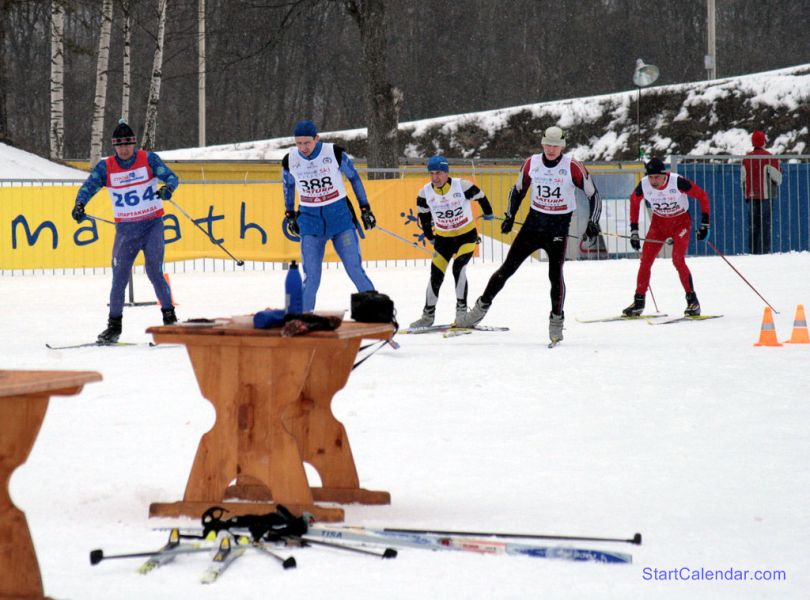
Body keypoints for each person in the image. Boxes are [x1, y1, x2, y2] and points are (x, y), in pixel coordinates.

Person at [456, 126, 602, 344]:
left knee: (555, 275)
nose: (551, 150)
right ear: (542, 144)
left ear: (562, 147)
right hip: (533, 226)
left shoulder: (572, 166)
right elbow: (517, 190)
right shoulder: (532, 163)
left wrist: (593, 222)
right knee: (507, 269)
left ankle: (556, 322)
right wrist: (509, 215)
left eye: (556, 146)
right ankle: (478, 310)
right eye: (548, 145)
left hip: (558, 228)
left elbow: (593, 195)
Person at [71, 120, 179, 343]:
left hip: (152, 226)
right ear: (114, 147)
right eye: (120, 146)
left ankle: (170, 321)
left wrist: (168, 188)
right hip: (126, 231)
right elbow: (89, 186)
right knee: (119, 279)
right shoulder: (106, 166)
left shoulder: (148, 159)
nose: (124, 149)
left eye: (128, 144)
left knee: (154, 272)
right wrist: (80, 204)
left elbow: (171, 177)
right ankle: (113, 327)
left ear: (134, 144)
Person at [282, 120, 377, 312]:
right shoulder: (290, 160)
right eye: (298, 143)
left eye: (307, 143)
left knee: (355, 270)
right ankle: (302, 320)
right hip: (310, 223)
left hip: (340, 220)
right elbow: (288, 186)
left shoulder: (333, 153)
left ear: (317, 139)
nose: (303, 148)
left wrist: (365, 208)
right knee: (312, 277)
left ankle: (377, 314)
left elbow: (354, 178)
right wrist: (290, 213)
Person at [409, 155, 494, 328]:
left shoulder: (461, 185)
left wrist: (488, 213)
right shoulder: (424, 192)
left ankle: (461, 314)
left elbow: (481, 196)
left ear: (446, 172)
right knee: (436, 275)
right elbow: (424, 217)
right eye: (431, 173)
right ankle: (427, 316)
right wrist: (430, 236)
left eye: (439, 173)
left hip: (466, 237)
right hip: (443, 239)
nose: (435, 177)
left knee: (458, 268)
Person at [621, 157, 711, 317]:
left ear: (664, 175)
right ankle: (639, 302)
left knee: (677, 259)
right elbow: (634, 202)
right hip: (658, 225)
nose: (653, 181)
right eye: (650, 177)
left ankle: (693, 301)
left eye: (657, 177)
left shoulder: (677, 182)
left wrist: (705, 224)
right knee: (646, 260)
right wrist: (634, 231)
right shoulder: (644, 184)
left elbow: (702, 196)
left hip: (680, 224)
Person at [741, 130, 782, 254]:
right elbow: (778, 178)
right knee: (765, 225)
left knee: (753, 226)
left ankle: (752, 251)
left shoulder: (746, 158)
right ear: (764, 141)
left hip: (752, 195)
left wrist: (746, 193)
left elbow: (743, 178)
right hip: (766, 195)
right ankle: (764, 252)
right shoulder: (769, 158)